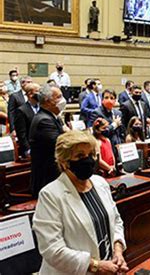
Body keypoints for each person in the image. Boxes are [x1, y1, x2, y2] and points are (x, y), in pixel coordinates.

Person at [32, 130, 127, 275]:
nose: (88, 160)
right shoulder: (50, 195)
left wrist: (118, 252)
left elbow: (116, 221)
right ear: (64, 162)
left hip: (108, 266)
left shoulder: (100, 183)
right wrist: (95, 266)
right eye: (80, 156)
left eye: (90, 155)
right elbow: (52, 249)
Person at [29, 85, 66, 197]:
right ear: (48, 101)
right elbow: (61, 144)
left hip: (53, 175)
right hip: (47, 178)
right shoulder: (44, 120)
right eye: (59, 97)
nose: (63, 99)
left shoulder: (53, 117)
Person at [14, 83, 40, 158]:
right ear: (30, 94)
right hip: (31, 149)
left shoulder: (42, 107)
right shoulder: (21, 110)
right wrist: (28, 149)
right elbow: (21, 133)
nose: (40, 94)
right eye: (38, 91)